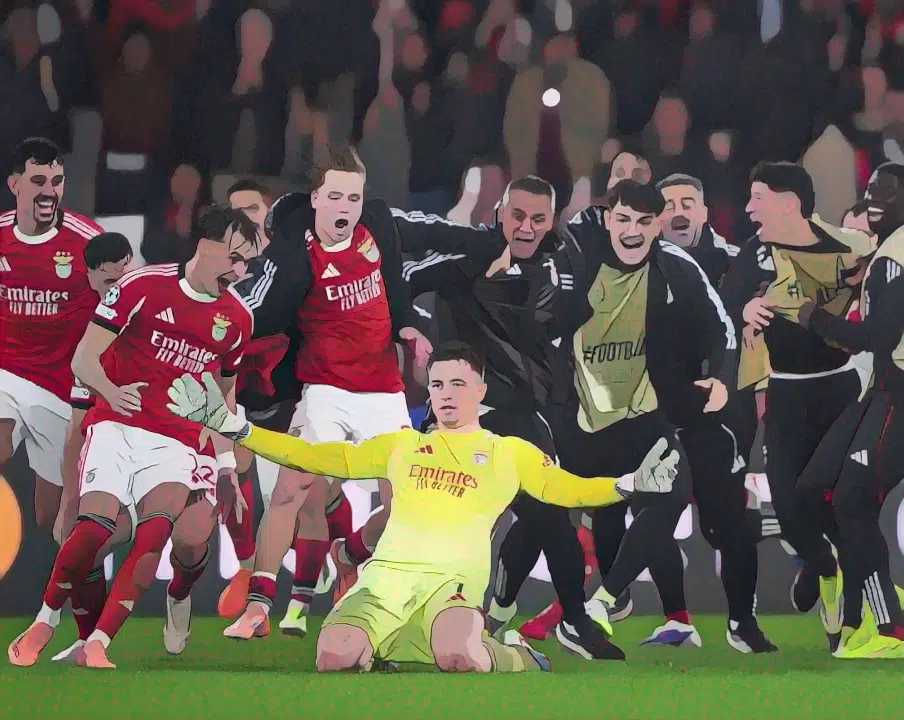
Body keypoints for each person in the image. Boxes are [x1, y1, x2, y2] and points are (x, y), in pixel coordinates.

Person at [166, 341, 681, 671]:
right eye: (437, 384)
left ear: (481, 389)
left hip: (449, 591)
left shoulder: (508, 453)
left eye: (459, 383)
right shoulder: (402, 445)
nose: (447, 394)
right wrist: (238, 428)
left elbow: (568, 489)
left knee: (460, 656)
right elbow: (317, 455)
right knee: (332, 657)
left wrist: (630, 483)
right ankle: (384, 644)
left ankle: (514, 653)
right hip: (385, 583)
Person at [8, 207, 260, 669]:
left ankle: (137, 619)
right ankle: (50, 622)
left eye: (248, 262)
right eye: (236, 258)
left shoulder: (238, 320)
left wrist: (227, 469)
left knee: (176, 537)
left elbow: (224, 400)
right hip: (117, 426)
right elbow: (84, 360)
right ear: (207, 246)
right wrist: (111, 391)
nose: (241, 272)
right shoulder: (142, 287)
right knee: (94, 532)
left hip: (181, 441)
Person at [393, 176, 616, 659]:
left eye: (538, 218)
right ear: (500, 212)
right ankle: (399, 607)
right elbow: (406, 278)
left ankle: (552, 618)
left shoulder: (565, 261)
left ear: (551, 220)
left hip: (525, 410)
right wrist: (410, 327)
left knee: (550, 513)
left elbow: (569, 318)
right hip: (463, 413)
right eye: (518, 216)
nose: (527, 227)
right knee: (439, 524)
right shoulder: (472, 252)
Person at [225, 145, 433, 639]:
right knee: (290, 491)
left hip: (384, 390)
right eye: (335, 196)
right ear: (316, 198)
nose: (345, 208)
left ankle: (352, 553)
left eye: (354, 198)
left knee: (410, 505)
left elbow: (395, 288)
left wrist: (408, 326)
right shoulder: (295, 254)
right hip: (325, 389)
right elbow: (251, 307)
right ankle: (258, 606)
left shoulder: (376, 228)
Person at [548, 180, 736, 650]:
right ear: (609, 218)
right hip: (582, 425)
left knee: (671, 493)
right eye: (624, 219)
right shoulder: (576, 263)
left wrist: (722, 378)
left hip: (644, 417)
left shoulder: (674, 264)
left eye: (644, 222)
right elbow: (540, 324)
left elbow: (722, 328)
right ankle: (503, 612)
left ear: (656, 227)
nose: (633, 231)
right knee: (547, 518)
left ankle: (610, 606)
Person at [720, 162, 875, 644]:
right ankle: (824, 568)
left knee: (838, 502)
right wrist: (744, 308)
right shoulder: (756, 252)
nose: (748, 208)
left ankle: (851, 621)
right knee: (787, 507)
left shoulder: (849, 247)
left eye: (758, 197)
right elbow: (727, 297)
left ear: (789, 203)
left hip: (839, 390)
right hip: (786, 392)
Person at [655, 173, 776, 652]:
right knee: (655, 515)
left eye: (689, 202)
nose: (679, 211)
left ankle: (742, 623)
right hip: (657, 414)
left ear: (706, 213)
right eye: (669, 204)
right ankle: (675, 620)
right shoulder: (635, 263)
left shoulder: (735, 262)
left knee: (721, 522)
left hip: (719, 415)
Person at [795, 162, 904, 658]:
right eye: (870, 189)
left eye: (888, 190)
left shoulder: (893, 257)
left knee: (852, 500)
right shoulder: (885, 254)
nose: (875, 197)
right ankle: (873, 601)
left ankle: (886, 626)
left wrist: (814, 319)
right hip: (879, 391)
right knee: (819, 486)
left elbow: (880, 338)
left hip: (895, 392)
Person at [0, 137, 104, 536]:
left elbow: (127, 305)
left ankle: (69, 593)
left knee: (51, 516)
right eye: (38, 180)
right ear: (15, 185)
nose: (49, 192)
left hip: (62, 387)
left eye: (56, 181)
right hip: (8, 371)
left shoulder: (89, 241)